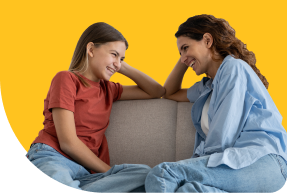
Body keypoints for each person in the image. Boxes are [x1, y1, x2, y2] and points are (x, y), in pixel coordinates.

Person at [145, 14, 287, 193]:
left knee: (163, 174)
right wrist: (186, 56)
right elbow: (169, 92)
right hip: (233, 166)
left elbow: (222, 137)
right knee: (189, 190)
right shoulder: (207, 87)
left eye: (186, 47)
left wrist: (194, 165)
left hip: (262, 162)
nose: (183, 57)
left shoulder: (233, 68)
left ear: (207, 40)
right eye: (180, 52)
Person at [25, 22, 165, 193]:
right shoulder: (66, 79)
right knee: (63, 186)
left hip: (85, 172)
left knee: (146, 174)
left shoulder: (109, 89)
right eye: (113, 54)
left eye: (121, 58)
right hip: (53, 157)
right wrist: (109, 172)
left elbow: (156, 91)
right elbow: (68, 143)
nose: (117, 64)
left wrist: (121, 65)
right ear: (91, 49)